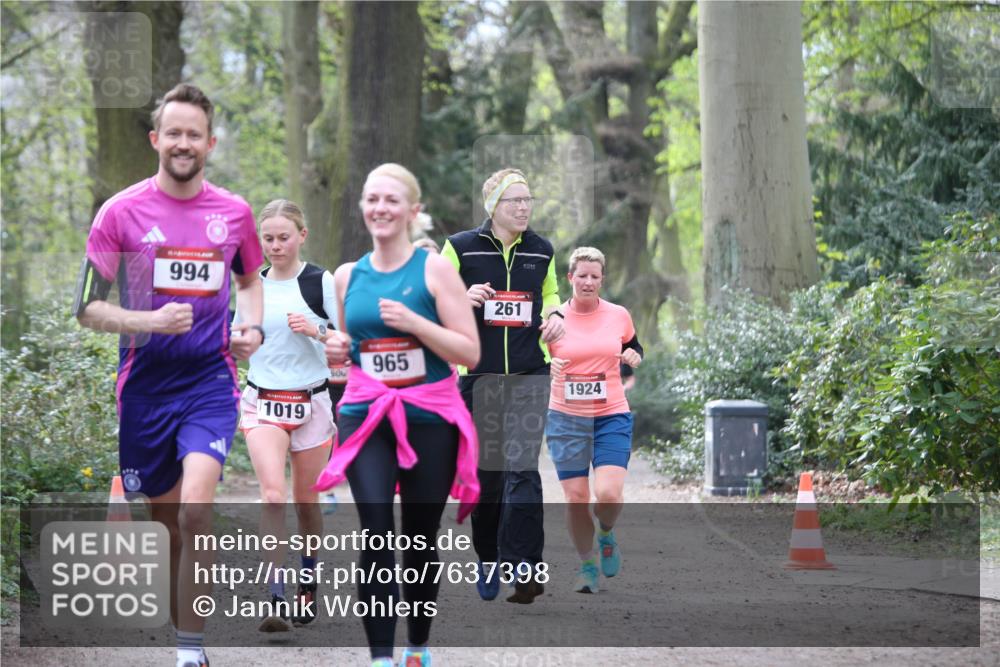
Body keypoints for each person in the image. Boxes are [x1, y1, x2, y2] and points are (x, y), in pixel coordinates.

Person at [74, 83, 264, 667]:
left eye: (194, 135)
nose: (184, 143)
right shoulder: (120, 213)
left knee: (195, 512)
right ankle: (184, 618)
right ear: (157, 139)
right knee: (168, 526)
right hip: (144, 388)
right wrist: (148, 320)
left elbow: (251, 280)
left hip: (209, 381)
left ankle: (190, 650)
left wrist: (250, 331)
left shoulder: (233, 213)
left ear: (210, 143)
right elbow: (86, 306)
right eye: (174, 133)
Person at [316, 163, 480, 667]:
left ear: (413, 211)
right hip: (367, 414)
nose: (380, 209)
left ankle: (417, 645)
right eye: (372, 199)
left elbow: (469, 352)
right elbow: (348, 350)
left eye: (391, 200)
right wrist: (338, 349)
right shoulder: (348, 276)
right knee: (375, 531)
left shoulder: (434, 271)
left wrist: (414, 322)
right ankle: (381, 658)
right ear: (363, 207)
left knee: (418, 537)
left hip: (429, 416)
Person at [441, 168, 564, 604]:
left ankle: (525, 564)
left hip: (531, 373)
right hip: (479, 375)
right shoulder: (460, 247)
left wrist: (556, 316)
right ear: (493, 206)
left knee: (523, 468)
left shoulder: (541, 250)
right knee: (489, 478)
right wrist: (461, 298)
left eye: (528, 199)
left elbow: (550, 295)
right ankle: (489, 555)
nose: (523, 207)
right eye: (514, 200)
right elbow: (433, 298)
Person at [236, 199, 337, 632]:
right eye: (268, 239)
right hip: (263, 401)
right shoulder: (249, 286)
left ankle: (308, 578)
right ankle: (275, 596)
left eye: (283, 237)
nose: (275, 246)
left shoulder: (320, 282)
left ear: (302, 236)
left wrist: (317, 329)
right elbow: (235, 337)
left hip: (311, 401)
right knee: (273, 495)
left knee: (305, 503)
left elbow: (347, 340)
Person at [545, 247, 643, 594]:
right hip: (566, 418)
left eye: (595, 276)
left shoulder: (618, 315)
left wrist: (634, 356)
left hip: (610, 415)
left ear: (602, 280)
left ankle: (605, 533)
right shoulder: (553, 318)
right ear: (570, 278)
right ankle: (587, 566)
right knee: (575, 498)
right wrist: (548, 366)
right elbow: (534, 359)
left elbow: (634, 348)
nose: (588, 282)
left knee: (609, 495)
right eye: (582, 275)